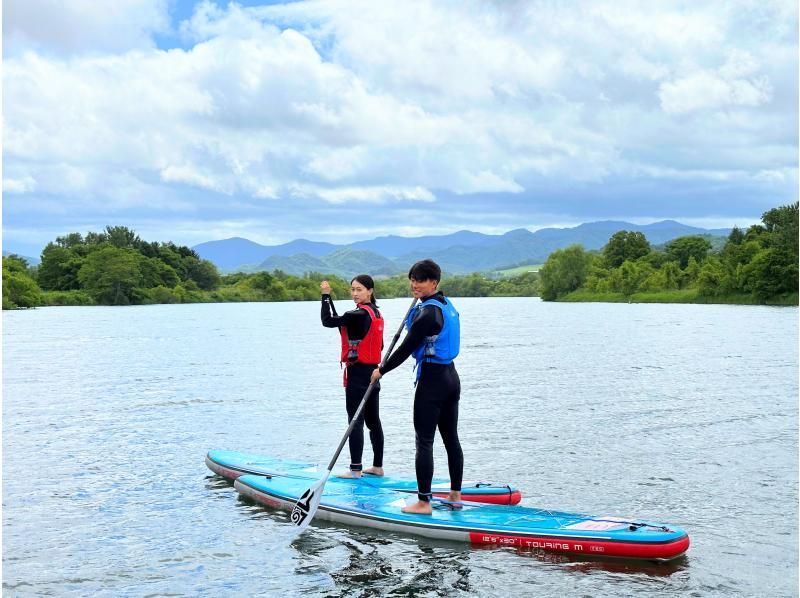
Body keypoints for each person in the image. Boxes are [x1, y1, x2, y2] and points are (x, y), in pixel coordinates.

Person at [370, 259, 462, 514]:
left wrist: (381, 370)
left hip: (433, 381)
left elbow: (405, 349)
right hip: (451, 378)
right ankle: (455, 494)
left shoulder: (428, 313)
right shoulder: (445, 305)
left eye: (420, 280)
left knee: (424, 441)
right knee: (450, 438)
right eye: (412, 280)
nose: (414, 284)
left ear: (434, 282)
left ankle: (423, 502)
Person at [321, 275, 385, 479]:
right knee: (373, 421)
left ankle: (355, 469)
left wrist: (324, 296)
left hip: (358, 375)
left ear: (370, 291)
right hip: (374, 373)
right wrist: (330, 299)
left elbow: (327, 321)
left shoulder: (356, 314)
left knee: (355, 420)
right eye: (352, 290)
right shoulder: (375, 313)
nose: (355, 294)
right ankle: (377, 466)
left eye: (359, 290)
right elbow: (379, 344)